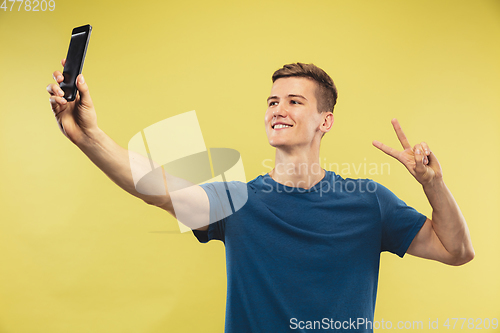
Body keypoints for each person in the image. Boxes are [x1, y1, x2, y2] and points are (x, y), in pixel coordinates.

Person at [47, 61, 474, 332]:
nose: (277, 109)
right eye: (272, 101)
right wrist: (88, 136)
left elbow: (456, 250)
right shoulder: (238, 201)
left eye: (293, 101)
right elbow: (156, 189)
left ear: (326, 121)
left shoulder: (368, 201)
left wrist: (432, 184)